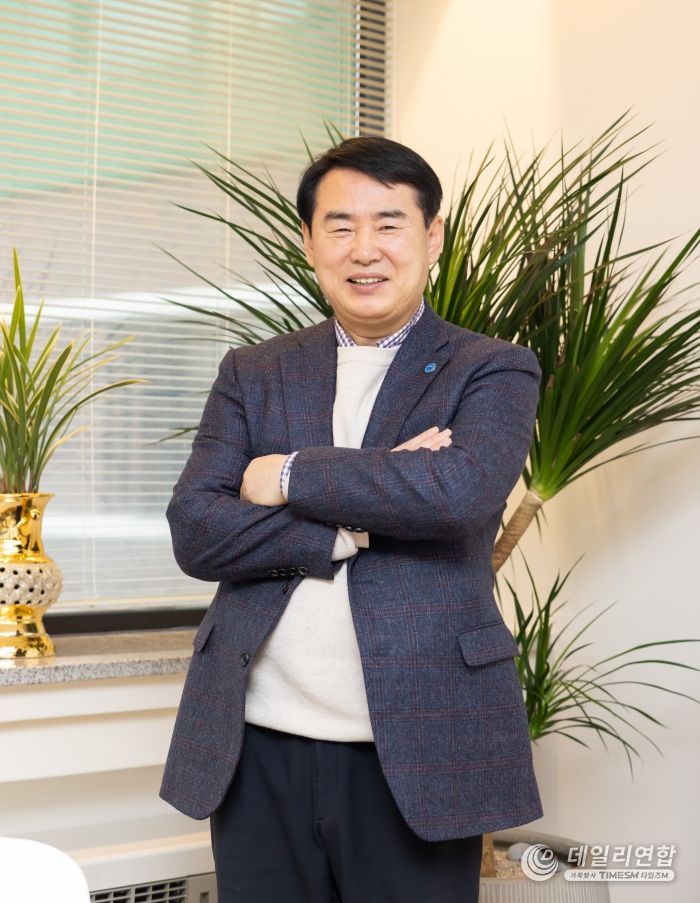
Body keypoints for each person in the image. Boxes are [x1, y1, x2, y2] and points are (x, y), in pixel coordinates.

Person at [160, 136, 543, 902]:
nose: (364, 249)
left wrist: (287, 474)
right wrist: (358, 516)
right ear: (309, 242)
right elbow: (197, 529)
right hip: (254, 744)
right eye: (340, 226)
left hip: (420, 744)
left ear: (432, 237)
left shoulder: (492, 367)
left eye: (389, 223)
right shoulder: (254, 370)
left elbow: (457, 494)